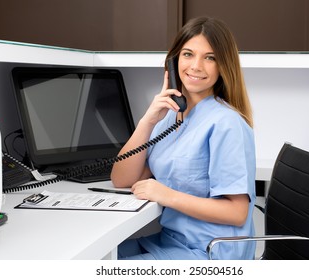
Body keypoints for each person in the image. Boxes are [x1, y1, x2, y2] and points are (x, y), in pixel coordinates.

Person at [110, 16, 256, 260]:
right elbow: (122, 179)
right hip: (169, 242)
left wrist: (168, 195)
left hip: (209, 253)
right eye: (188, 54)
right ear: (173, 60)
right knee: (85, 258)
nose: (196, 66)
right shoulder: (170, 117)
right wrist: (148, 120)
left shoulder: (226, 123)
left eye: (210, 58)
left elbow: (237, 212)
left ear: (223, 66)